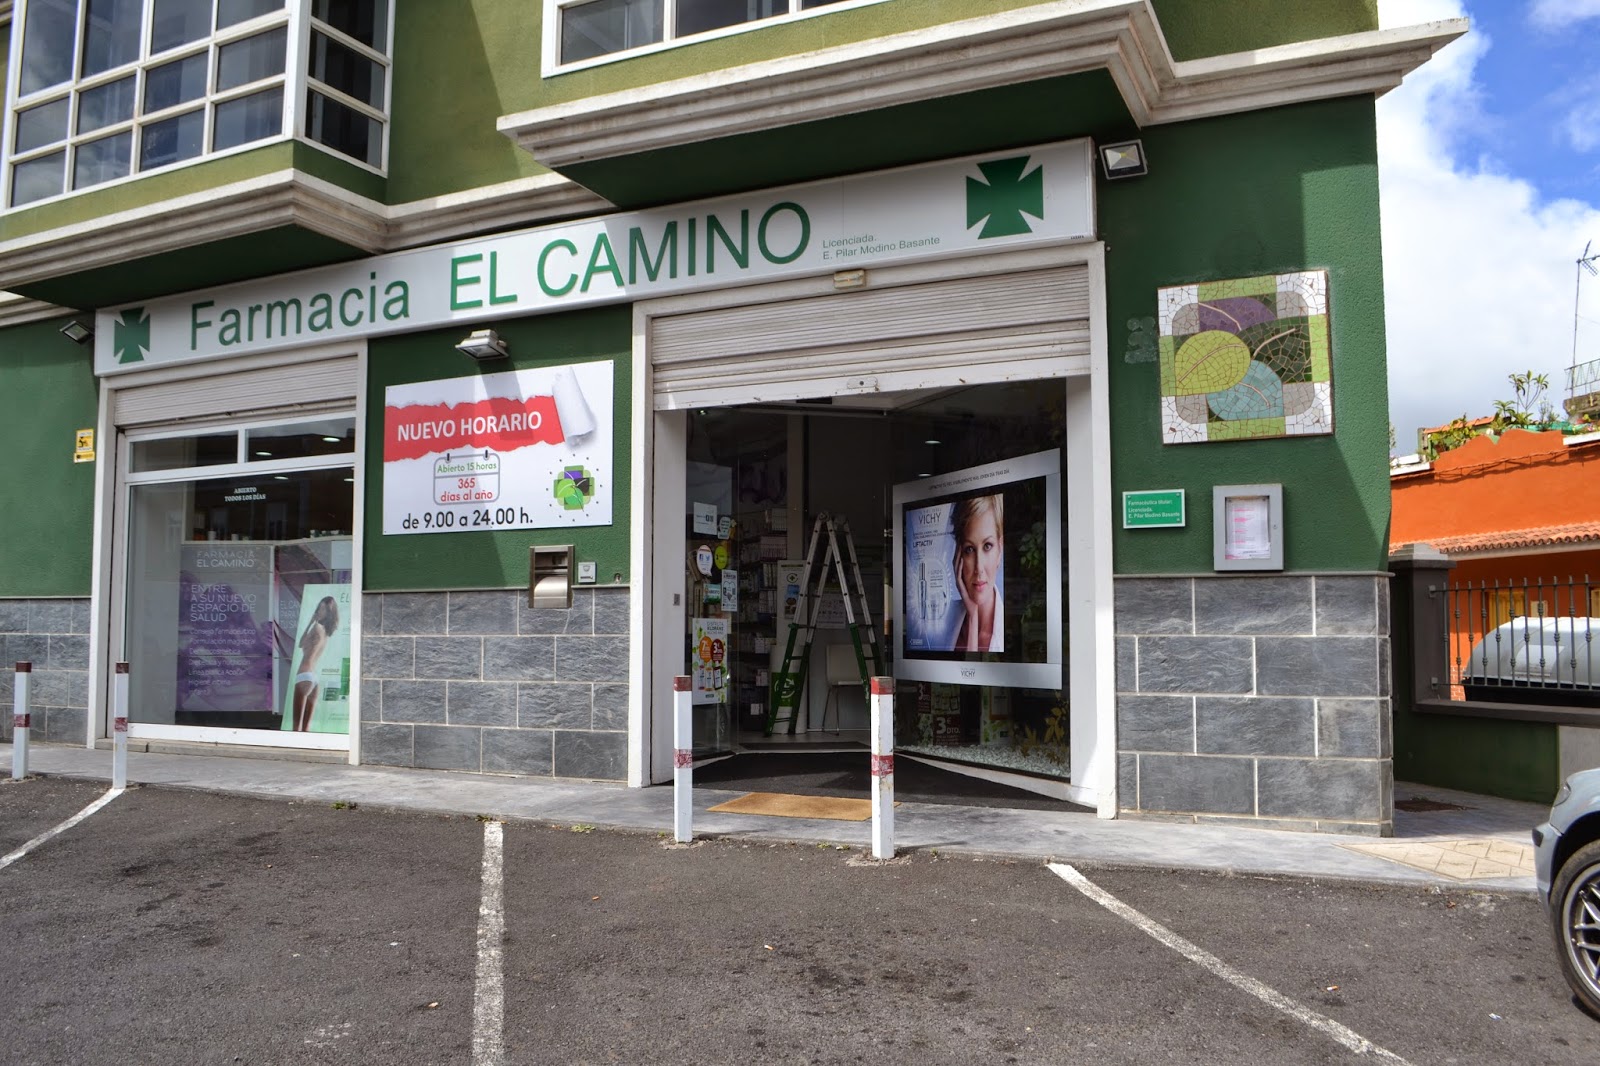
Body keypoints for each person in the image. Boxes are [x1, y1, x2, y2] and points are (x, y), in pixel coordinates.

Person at [951, 494, 1004, 653]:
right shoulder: (941, 621)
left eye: (987, 546)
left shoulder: (1010, 629)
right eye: (969, 549)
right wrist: (973, 617)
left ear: (1000, 549)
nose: (979, 567)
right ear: (958, 556)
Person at [290, 596, 339, 732]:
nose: (319, 612)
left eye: (323, 609)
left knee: (296, 727)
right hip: (314, 678)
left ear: (328, 613)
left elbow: (300, 644)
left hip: (304, 674)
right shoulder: (326, 633)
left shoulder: (316, 627)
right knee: (306, 728)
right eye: (319, 608)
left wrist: (310, 623)